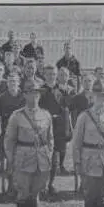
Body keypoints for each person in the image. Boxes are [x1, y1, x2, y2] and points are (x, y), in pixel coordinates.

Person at [3, 79, 53, 207]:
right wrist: (11, 160)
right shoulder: (16, 116)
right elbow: (9, 140)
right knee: (23, 192)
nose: (34, 96)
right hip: (23, 158)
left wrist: (48, 153)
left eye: (37, 93)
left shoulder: (46, 115)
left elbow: (50, 138)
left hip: (41, 159)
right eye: (31, 93)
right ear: (25, 95)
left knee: (35, 193)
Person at [38, 65, 72, 193]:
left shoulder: (62, 91)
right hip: (44, 127)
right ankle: (41, 185)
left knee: (54, 159)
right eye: (48, 74)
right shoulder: (41, 90)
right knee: (43, 157)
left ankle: (51, 184)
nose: (51, 76)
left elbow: (66, 109)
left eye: (53, 74)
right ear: (44, 75)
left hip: (58, 128)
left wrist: (66, 128)